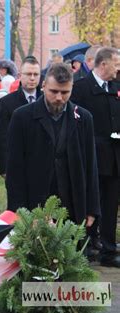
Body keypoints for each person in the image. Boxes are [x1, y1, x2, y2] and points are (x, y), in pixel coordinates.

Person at [6, 62, 99, 233]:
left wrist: (92, 208)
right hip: (35, 201)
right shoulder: (22, 117)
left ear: (72, 88)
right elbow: (14, 169)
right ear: (43, 86)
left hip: (72, 201)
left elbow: (90, 165)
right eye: (54, 91)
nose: (59, 98)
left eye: (65, 93)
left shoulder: (84, 118)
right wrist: (18, 211)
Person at [70, 47, 120, 267]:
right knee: (89, 203)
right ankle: (86, 246)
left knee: (110, 204)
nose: (118, 68)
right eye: (116, 64)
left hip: (115, 158)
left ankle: (108, 249)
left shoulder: (115, 87)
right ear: (103, 64)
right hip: (91, 157)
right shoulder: (81, 88)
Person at [0, 56, 42, 177]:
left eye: (36, 74)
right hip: (17, 162)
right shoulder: (6, 103)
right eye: (28, 74)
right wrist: (4, 167)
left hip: (43, 162)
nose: (32, 78)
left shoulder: (47, 100)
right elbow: (2, 136)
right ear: (20, 76)